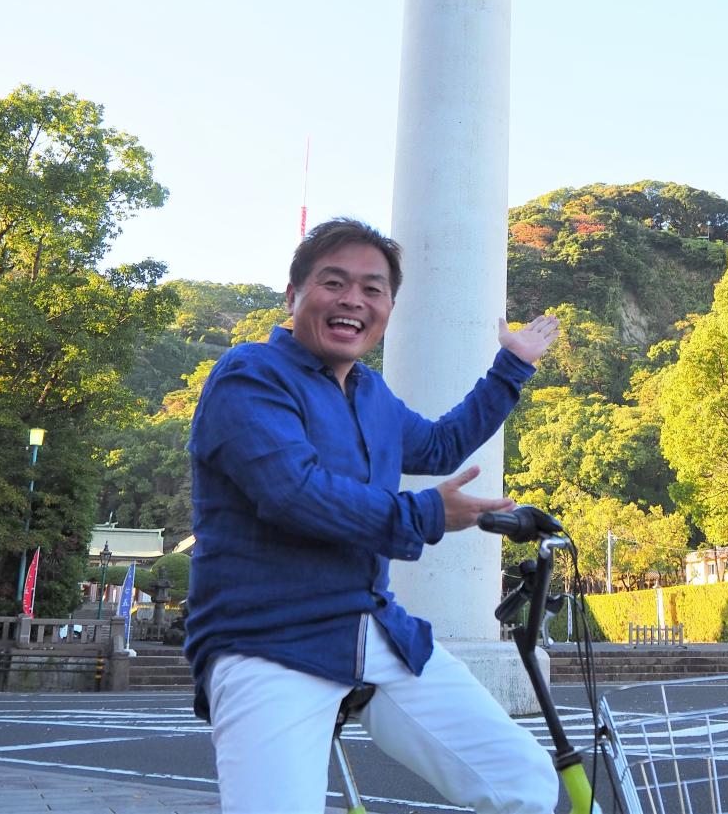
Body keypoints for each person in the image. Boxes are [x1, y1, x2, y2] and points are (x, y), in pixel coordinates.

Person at [185, 217, 560, 814]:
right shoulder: (249, 374)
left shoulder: (371, 392)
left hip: (374, 630)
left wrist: (510, 367)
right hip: (266, 639)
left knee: (524, 782)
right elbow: (292, 493)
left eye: (373, 289)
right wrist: (426, 513)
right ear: (293, 294)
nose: (354, 300)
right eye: (334, 282)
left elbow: (437, 447)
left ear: (388, 306)